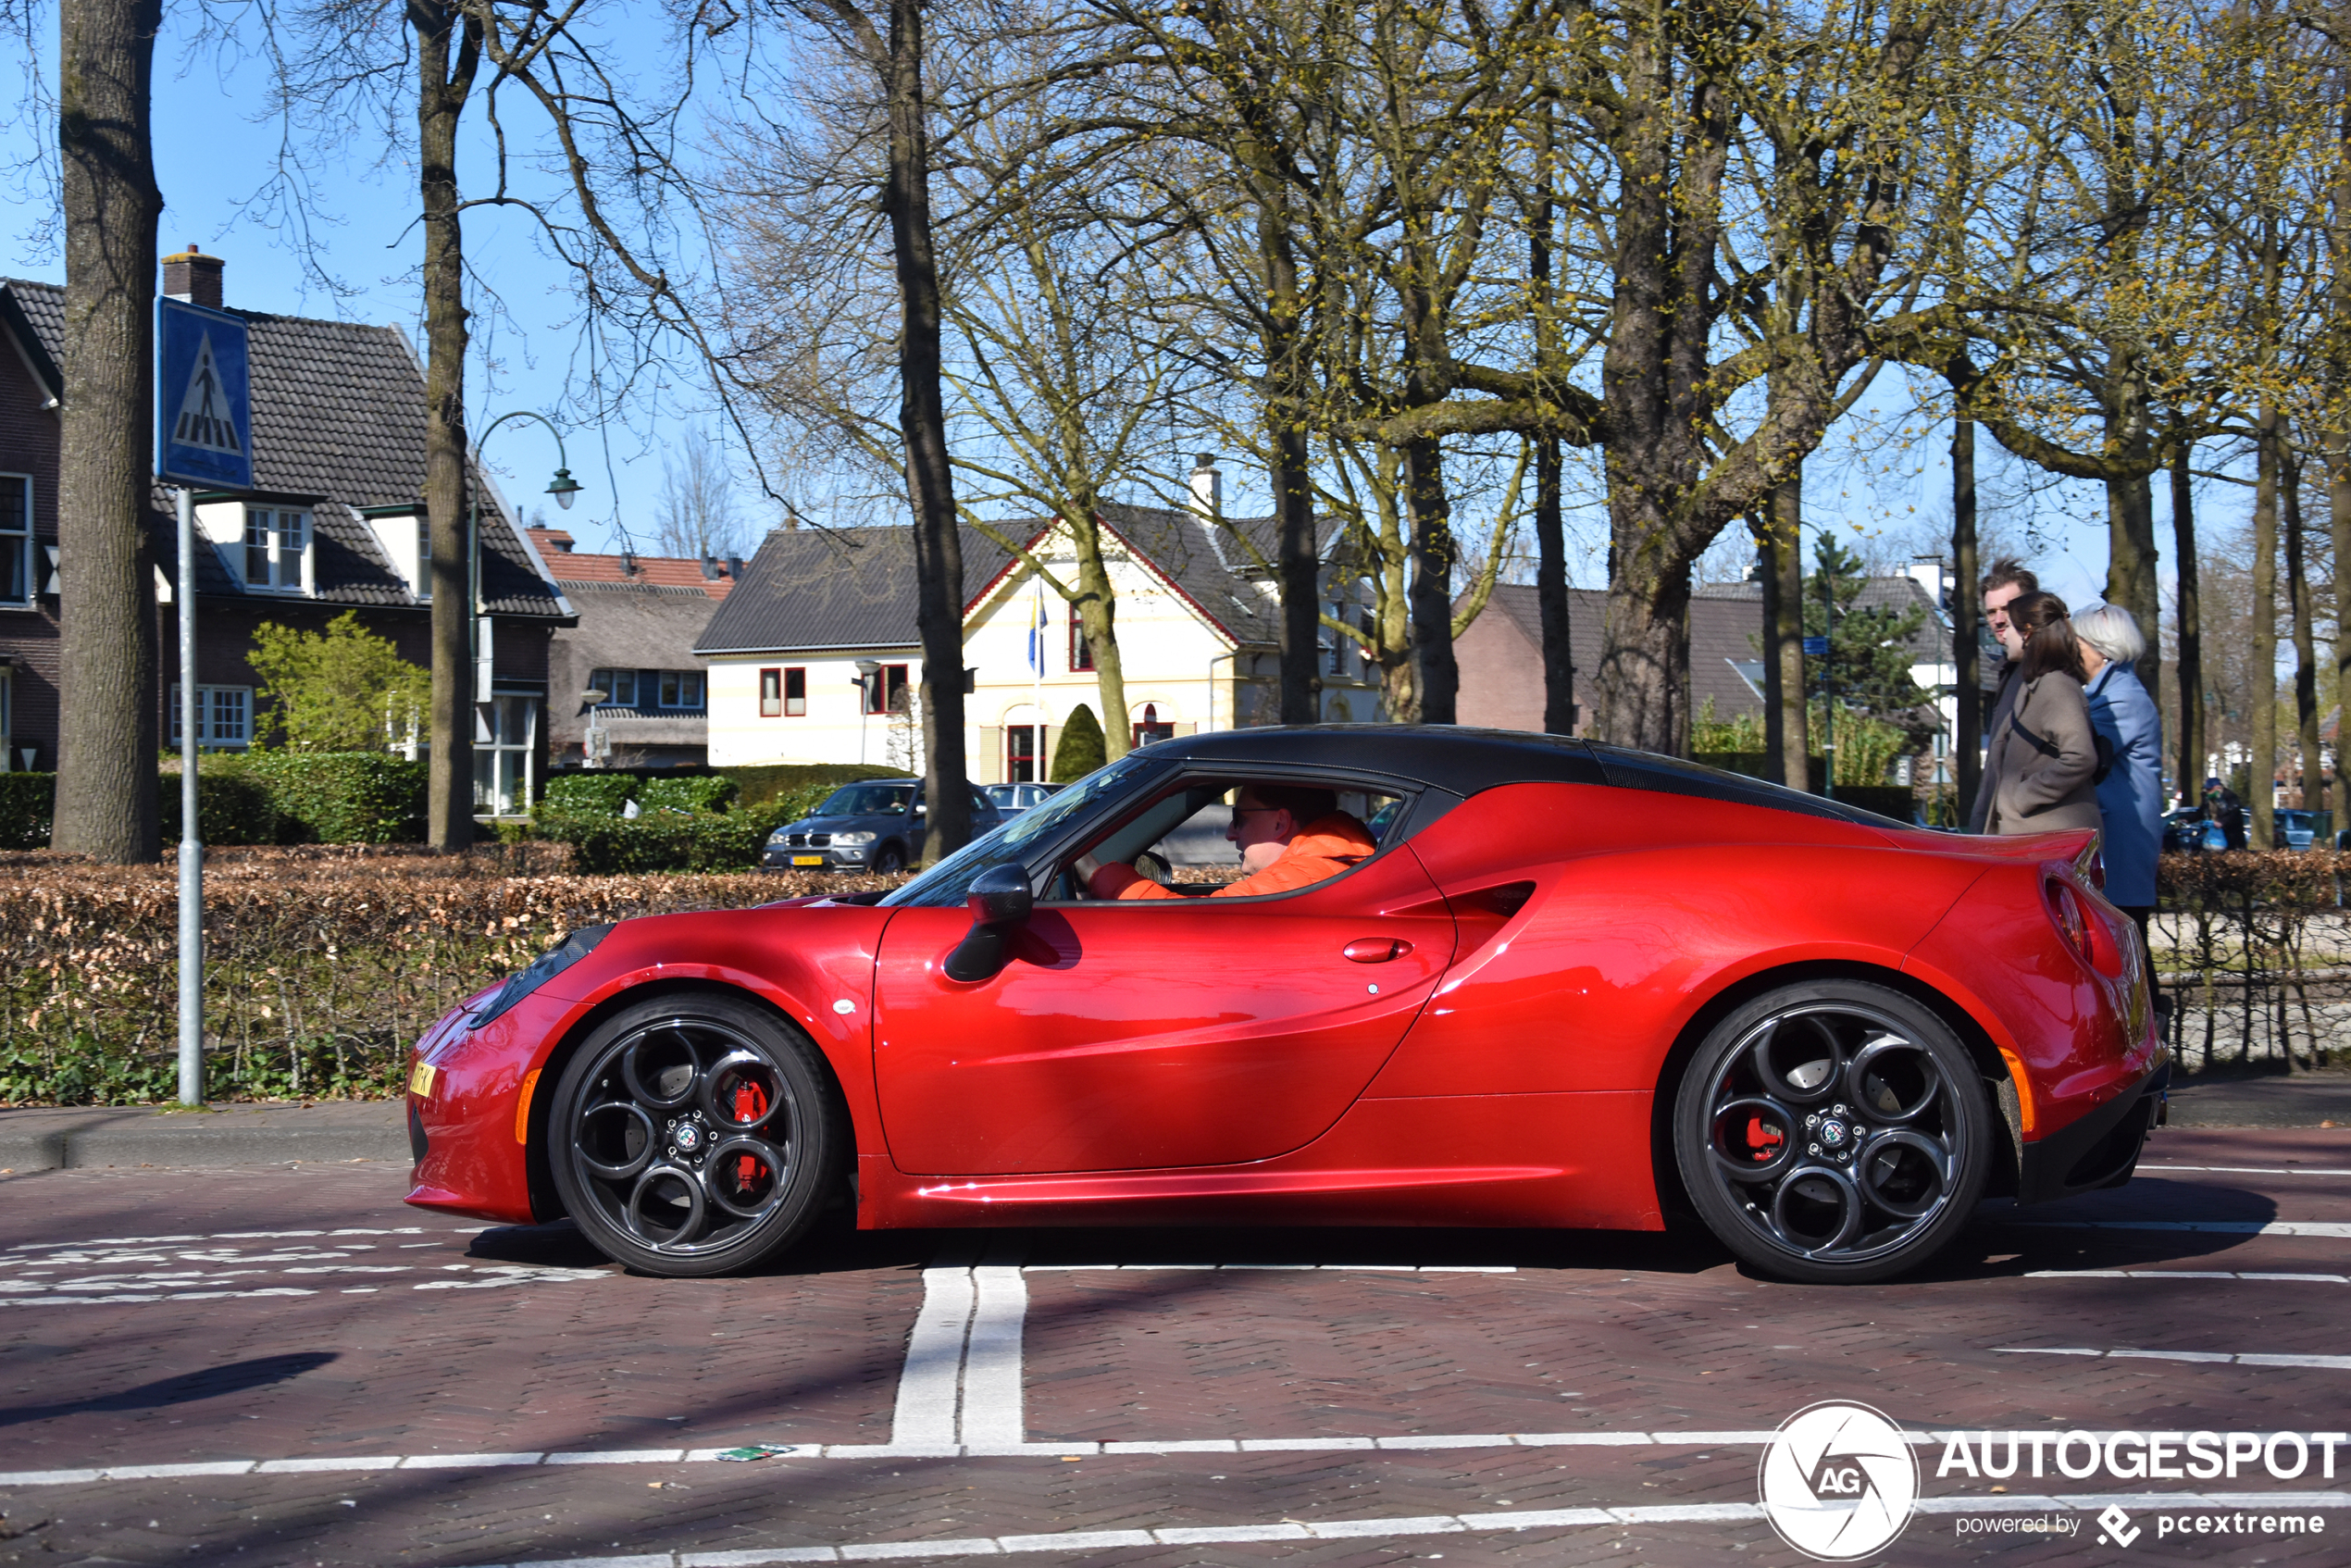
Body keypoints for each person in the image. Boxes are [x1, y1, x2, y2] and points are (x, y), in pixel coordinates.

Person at [1081, 783, 1375, 900]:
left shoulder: (1308, 874)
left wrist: (1092, 871)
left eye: (1239, 818)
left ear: (1280, 822)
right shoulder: (1332, 862)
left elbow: (1191, 923)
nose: (1230, 833)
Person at [2074, 603, 2163, 959]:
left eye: (2077, 643)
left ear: (2100, 648)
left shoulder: (2121, 698)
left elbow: (2081, 747)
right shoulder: (2112, 691)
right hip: (2121, 836)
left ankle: (2154, 1014)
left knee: (2127, 954)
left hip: (2123, 841)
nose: (2073, 651)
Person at [1982, 591, 2103, 837]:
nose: (2003, 635)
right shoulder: (2037, 685)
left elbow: (2081, 757)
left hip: (2048, 839)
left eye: (2010, 628)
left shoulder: (2056, 686)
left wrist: (2023, 797)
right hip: (2034, 837)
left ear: (2027, 633)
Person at [1967, 558, 2041, 833]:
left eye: (2007, 609)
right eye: (1991, 612)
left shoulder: (2043, 672)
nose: (1998, 620)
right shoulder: (2010, 671)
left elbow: (2076, 757)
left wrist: (2014, 803)